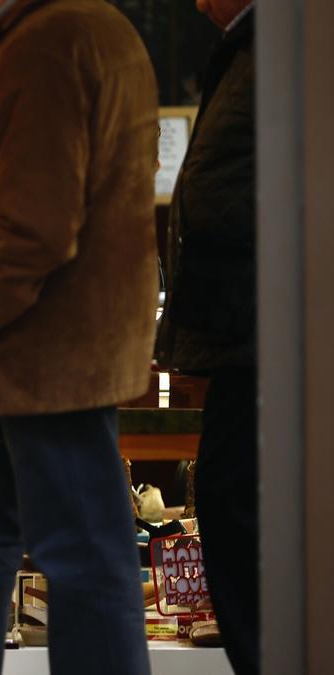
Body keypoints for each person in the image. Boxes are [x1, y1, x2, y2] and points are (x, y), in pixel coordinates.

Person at [0, 0, 159, 673]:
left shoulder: (52, 42)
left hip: (45, 359)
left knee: (85, 563)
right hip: (23, 357)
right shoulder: (54, 34)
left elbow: (34, 229)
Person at [156, 2, 256, 673]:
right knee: (230, 504)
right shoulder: (253, 45)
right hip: (245, 330)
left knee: (235, 507)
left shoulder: (280, 44)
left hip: (259, 329)